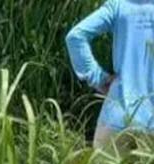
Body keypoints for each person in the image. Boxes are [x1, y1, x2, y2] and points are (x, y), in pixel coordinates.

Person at [66, 0, 154, 150]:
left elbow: (75, 36)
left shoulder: (118, 6)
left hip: (117, 113)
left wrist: (100, 79)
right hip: (151, 119)